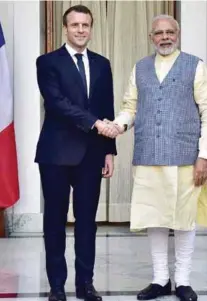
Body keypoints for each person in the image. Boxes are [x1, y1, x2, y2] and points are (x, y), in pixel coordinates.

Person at [101, 15, 207, 301]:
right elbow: (130, 106)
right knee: (154, 218)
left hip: (185, 158)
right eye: (159, 33)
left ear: (177, 34)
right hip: (148, 157)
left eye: (170, 32)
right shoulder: (140, 67)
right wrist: (119, 125)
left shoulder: (195, 65)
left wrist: (204, 156)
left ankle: (183, 281)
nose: (165, 37)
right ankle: (159, 280)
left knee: (184, 219)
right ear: (151, 36)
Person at [35, 5, 118, 301]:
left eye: (86, 25)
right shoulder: (47, 62)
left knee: (87, 223)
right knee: (54, 222)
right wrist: (94, 123)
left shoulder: (102, 63)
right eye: (75, 25)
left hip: (92, 155)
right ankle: (57, 286)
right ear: (65, 28)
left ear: (91, 28)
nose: (81, 30)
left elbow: (106, 108)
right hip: (56, 154)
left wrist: (110, 151)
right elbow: (55, 103)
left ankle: (86, 284)